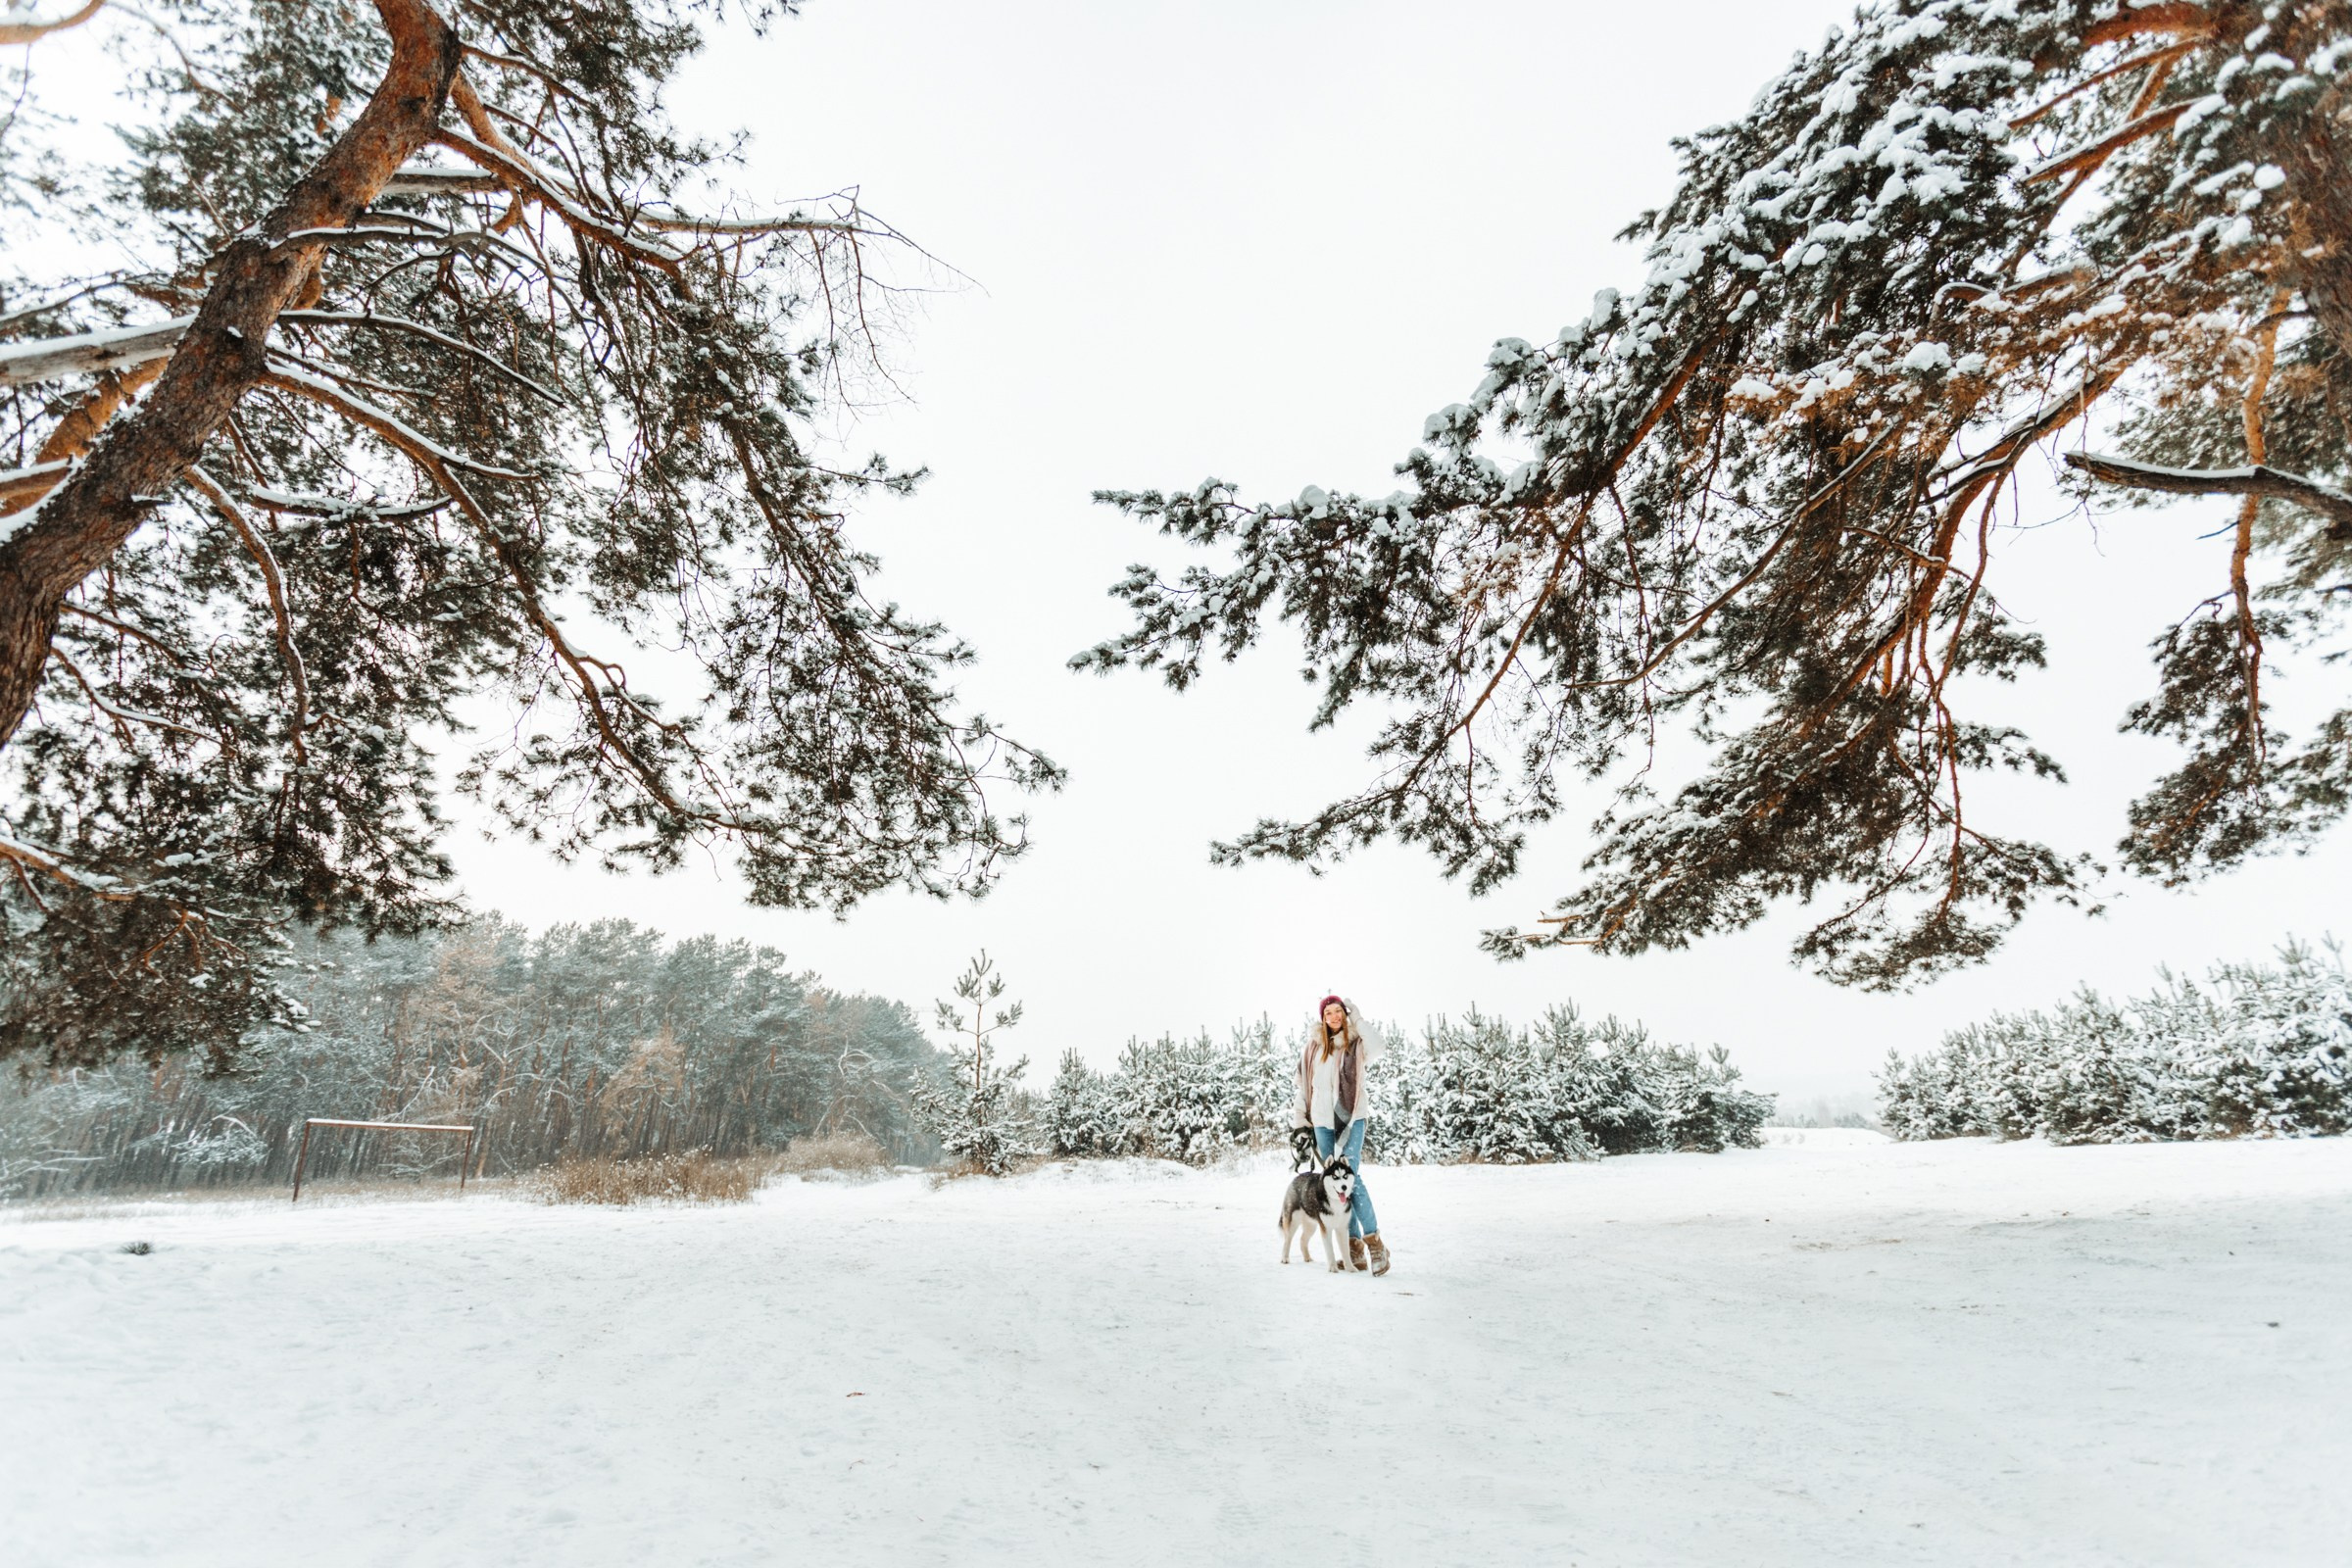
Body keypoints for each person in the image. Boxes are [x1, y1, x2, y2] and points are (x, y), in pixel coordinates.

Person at [1295, 994, 1392, 1275]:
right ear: (1322, 1018)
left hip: (1351, 1121)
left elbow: (1380, 1046)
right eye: (1329, 1013)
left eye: (1339, 1012)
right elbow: (1303, 1088)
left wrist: (1358, 1019)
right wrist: (1301, 1122)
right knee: (1334, 1184)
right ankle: (1354, 1248)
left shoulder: (1356, 1043)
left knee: (1351, 1178)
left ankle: (1374, 1242)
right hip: (1323, 1124)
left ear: (1344, 1014)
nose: (1335, 1017)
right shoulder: (1313, 1048)